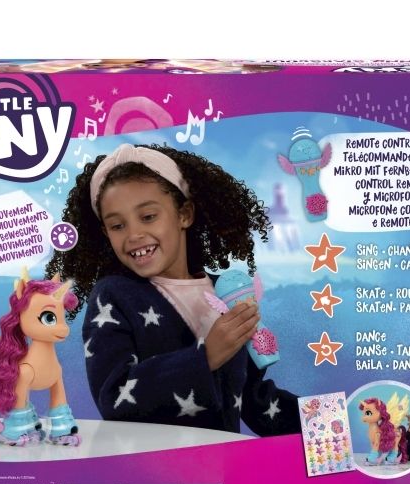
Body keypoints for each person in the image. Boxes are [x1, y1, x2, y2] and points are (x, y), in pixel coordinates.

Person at [45, 143, 300, 436]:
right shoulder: (113, 297)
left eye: (148, 216)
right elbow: (113, 398)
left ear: (184, 214)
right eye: (117, 225)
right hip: (153, 463)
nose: (134, 234)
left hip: (223, 461)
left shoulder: (224, 292)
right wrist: (205, 357)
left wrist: (333, 421)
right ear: (105, 232)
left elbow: (257, 402)